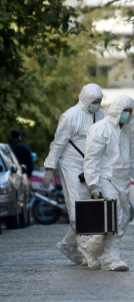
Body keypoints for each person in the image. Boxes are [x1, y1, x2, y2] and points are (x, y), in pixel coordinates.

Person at [81, 95, 134, 271]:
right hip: (106, 179)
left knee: (123, 220)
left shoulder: (127, 132)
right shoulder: (100, 129)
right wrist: (94, 185)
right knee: (114, 218)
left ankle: (89, 249)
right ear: (116, 110)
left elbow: (132, 159)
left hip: (123, 181)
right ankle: (113, 259)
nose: (127, 114)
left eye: (130, 111)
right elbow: (91, 159)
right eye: (124, 110)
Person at [43, 83, 105, 266]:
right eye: (95, 101)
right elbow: (58, 143)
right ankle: (85, 251)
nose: (98, 105)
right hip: (71, 163)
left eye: (100, 101)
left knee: (93, 207)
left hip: (91, 164)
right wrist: (49, 169)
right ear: (86, 100)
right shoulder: (70, 116)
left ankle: (68, 245)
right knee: (78, 206)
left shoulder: (100, 115)